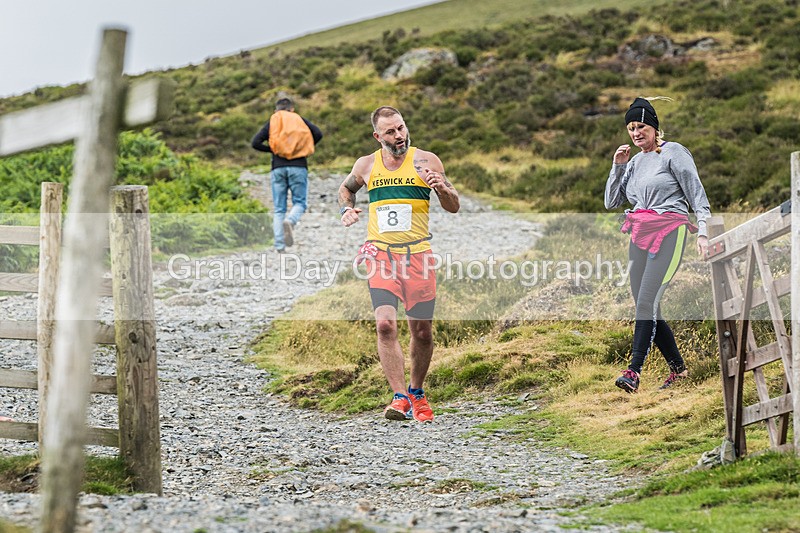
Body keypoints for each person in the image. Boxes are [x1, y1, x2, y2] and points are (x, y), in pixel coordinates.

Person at [338, 106, 460, 422]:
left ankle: (416, 391)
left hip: (418, 256)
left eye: (401, 128)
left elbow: (453, 205)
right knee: (385, 324)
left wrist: (441, 188)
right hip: (380, 255)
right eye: (390, 132)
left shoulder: (427, 161)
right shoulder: (366, 165)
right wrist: (346, 210)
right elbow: (346, 189)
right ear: (377, 136)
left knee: (422, 331)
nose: (399, 135)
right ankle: (399, 397)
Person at [605, 97, 711, 393]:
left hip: (670, 231)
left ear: (653, 127)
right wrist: (618, 167)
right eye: (631, 128)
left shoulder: (673, 153)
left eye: (641, 126)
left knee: (647, 301)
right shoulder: (635, 162)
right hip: (640, 232)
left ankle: (633, 371)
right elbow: (611, 201)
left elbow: (697, 195)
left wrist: (703, 233)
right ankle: (679, 370)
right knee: (646, 303)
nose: (636, 133)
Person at [252, 97, 323, 252]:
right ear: (292, 109)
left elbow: (255, 142)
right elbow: (318, 133)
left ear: (276, 110)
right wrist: (303, 148)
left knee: (279, 208)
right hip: (299, 166)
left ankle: (279, 246)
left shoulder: (273, 121)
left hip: (278, 167)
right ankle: (290, 221)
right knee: (300, 203)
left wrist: (273, 150)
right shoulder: (299, 119)